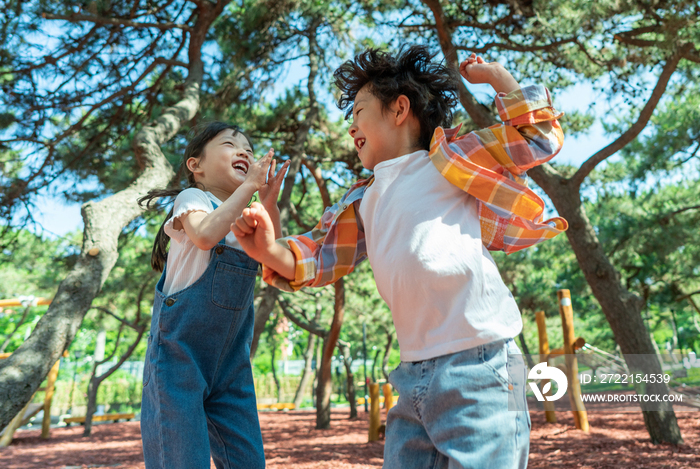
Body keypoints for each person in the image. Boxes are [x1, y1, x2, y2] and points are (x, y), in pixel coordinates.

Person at [232, 46, 567, 469]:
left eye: (357, 111)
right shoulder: (363, 200)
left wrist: (498, 78)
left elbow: (535, 138)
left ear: (399, 110)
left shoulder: (450, 161)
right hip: (411, 377)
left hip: (483, 363)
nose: (349, 126)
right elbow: (317, 258)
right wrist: (267, 250)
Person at [138, 122, 289, 469]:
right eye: (230, 144)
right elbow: (206, 235)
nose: (244, 152)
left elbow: (273, 258)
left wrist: (267, 203)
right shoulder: (193, 199)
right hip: (179, 358)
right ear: (196, 166)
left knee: (247, 459)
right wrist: (251, 185)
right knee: (181, 458)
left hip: (233, 362)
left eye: (249, 149)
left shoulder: (249, 217)